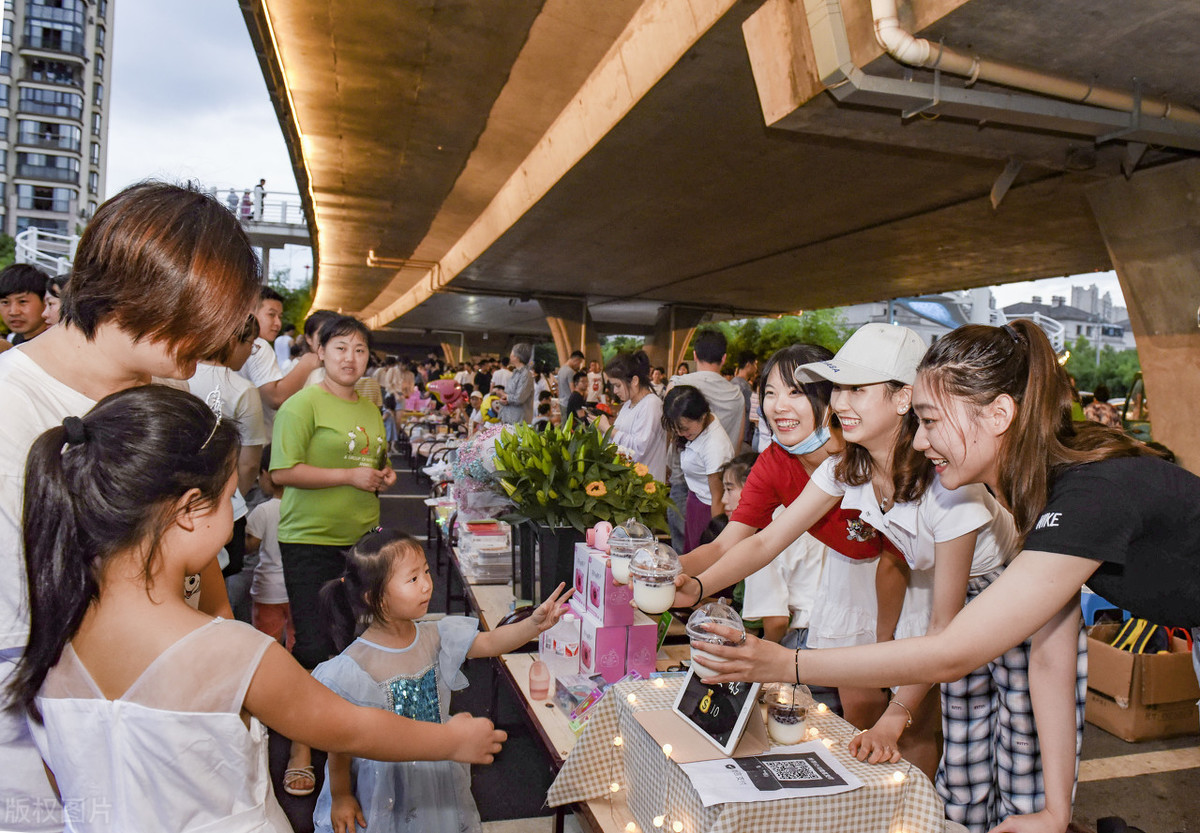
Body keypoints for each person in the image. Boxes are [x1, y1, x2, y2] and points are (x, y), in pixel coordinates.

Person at [692, 320, 1181, 833]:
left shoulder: (1049, 494)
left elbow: (960, 645)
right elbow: (1048, 654)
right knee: (966, 766)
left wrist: (790, 664)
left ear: (998, 413)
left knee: (1020, 750)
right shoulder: (1022, 486)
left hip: (998, 596)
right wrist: (697, 586)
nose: (922, 441)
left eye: (930, 420)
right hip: (979, 606)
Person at [7, 386, 507, 833]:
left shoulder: (53, 639)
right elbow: (350, 726)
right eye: (229, 497)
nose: (235, 511)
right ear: (188, 511)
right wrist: (451, 740)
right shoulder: (232, 650)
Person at [0, 182, 262, 829]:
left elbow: (195, 563)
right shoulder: (11, 415)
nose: (214, 338)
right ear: (145, 285)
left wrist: (231, 672)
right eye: (206, 312)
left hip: (177, 725)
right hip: (59, 758)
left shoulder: (172, 388)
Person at [679, 343, 901, 730]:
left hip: (908, 579)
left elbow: (898, 557)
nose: (778, 405)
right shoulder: (779, 462)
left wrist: (885, 645)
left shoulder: (865, 452)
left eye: (795, 392)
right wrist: (683, 579)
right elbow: (742, 543)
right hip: (851, 572)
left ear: (830, 396)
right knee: (861, 716)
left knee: (912, 712)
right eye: (769, 393)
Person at [312, 529, 572, 833]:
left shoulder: (435, 635)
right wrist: (342, 795)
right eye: (413, 579)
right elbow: (340, 743)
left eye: (425, 572)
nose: (426, 585)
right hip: (385, 784)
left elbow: (490, 642)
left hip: (435, 766)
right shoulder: (354, 667)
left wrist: (533, 625)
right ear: (376, 598)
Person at [271, 314, 398, 795]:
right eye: (340, 348)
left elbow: (371, 461)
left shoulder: (368, 405)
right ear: (319, 352)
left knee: (355, 642)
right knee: (314, 645)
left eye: (360, 350)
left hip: (361, 539)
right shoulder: (302, 405)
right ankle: (302, 747)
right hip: (310, 540)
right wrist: (348, 478)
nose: (351, 358)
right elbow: (282, 472)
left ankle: (345, 736)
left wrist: (380, 476)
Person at [187, 313, 267, 579]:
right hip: (223, 503)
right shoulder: (243, 389)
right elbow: (249, 463)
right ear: (234, 341)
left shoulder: (179, 374)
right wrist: (232, 500)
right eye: (251, 344)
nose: (250, 352)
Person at [238, 287, 322, 433]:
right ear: (250, 312)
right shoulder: (259, 345)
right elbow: (276, 398)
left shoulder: (238, 344)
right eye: (271, 315)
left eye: (280, 316)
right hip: (258, 441)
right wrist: (307, 364)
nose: (278, 323)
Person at [663, 385, 734, 550]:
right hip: (695, 500)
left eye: (685, 429)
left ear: (702, 417)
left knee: (701, 557)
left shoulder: (715, 446)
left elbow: (718, 497)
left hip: (708, 509)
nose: (680, 434)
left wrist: (717, 539)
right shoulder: (700, 426)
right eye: (676, 429)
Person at [247, 446, 293, 649]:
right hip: (296, 588)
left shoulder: (263, 511)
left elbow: (251, 545)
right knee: (296, 642)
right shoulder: (302, 509)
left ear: (266, 473)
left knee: (266, 646)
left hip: (268, 591)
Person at [597, 350, 667, 482]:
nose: (615, 391)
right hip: (629, 482)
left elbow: (638, 449)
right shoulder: (628, 403)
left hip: (646, 485)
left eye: (617, 385)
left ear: (634, 380)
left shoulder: (651, 404)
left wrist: (608, 429)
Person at [0, 264, 50, 344]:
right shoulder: (18, 339)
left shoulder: (56, 344)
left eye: (22, 301)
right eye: (5, 302)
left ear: (46, 301)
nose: (13, 312)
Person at [498, 342, 534, 424]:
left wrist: (506, 396)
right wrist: (503, 399)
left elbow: (520, 398)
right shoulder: (515, 372)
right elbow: (511, 394)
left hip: (518, 421)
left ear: (517, 357)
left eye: (512, 352)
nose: (510, 355)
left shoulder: (526, 375)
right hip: (508, 418)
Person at [731, 351, 758, 449]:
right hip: (742, 438)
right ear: (748, 365)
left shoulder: (733, 383)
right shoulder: (743, 386)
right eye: (755, 364)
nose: (756, 368)